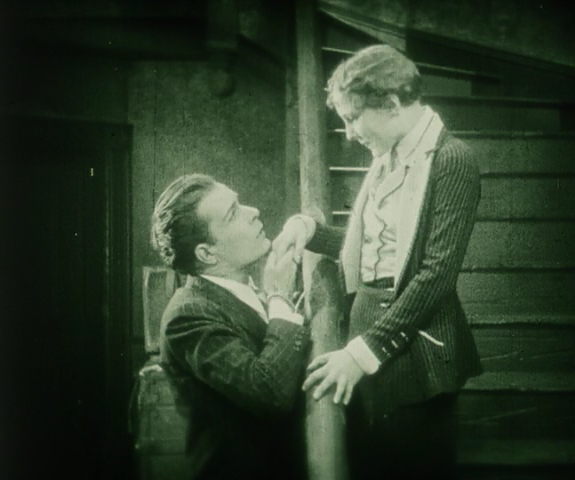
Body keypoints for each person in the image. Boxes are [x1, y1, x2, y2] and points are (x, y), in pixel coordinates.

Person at [273, 44, 483, 480]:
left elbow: (434, 275)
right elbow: (369, 247)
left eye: (353, 118)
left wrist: (362, 353)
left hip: (415, 353)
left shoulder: (450, 160)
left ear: (390, 104)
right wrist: (308, 230)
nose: (348, 133)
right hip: (368, 338)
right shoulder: (388, 159)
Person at [151, 174, 311, 480]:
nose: (253, 212)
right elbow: (269, 391)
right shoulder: (187, 315)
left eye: (240, 203)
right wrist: (279, 297)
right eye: (233, 213)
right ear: (207, 254)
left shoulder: (243, 289)